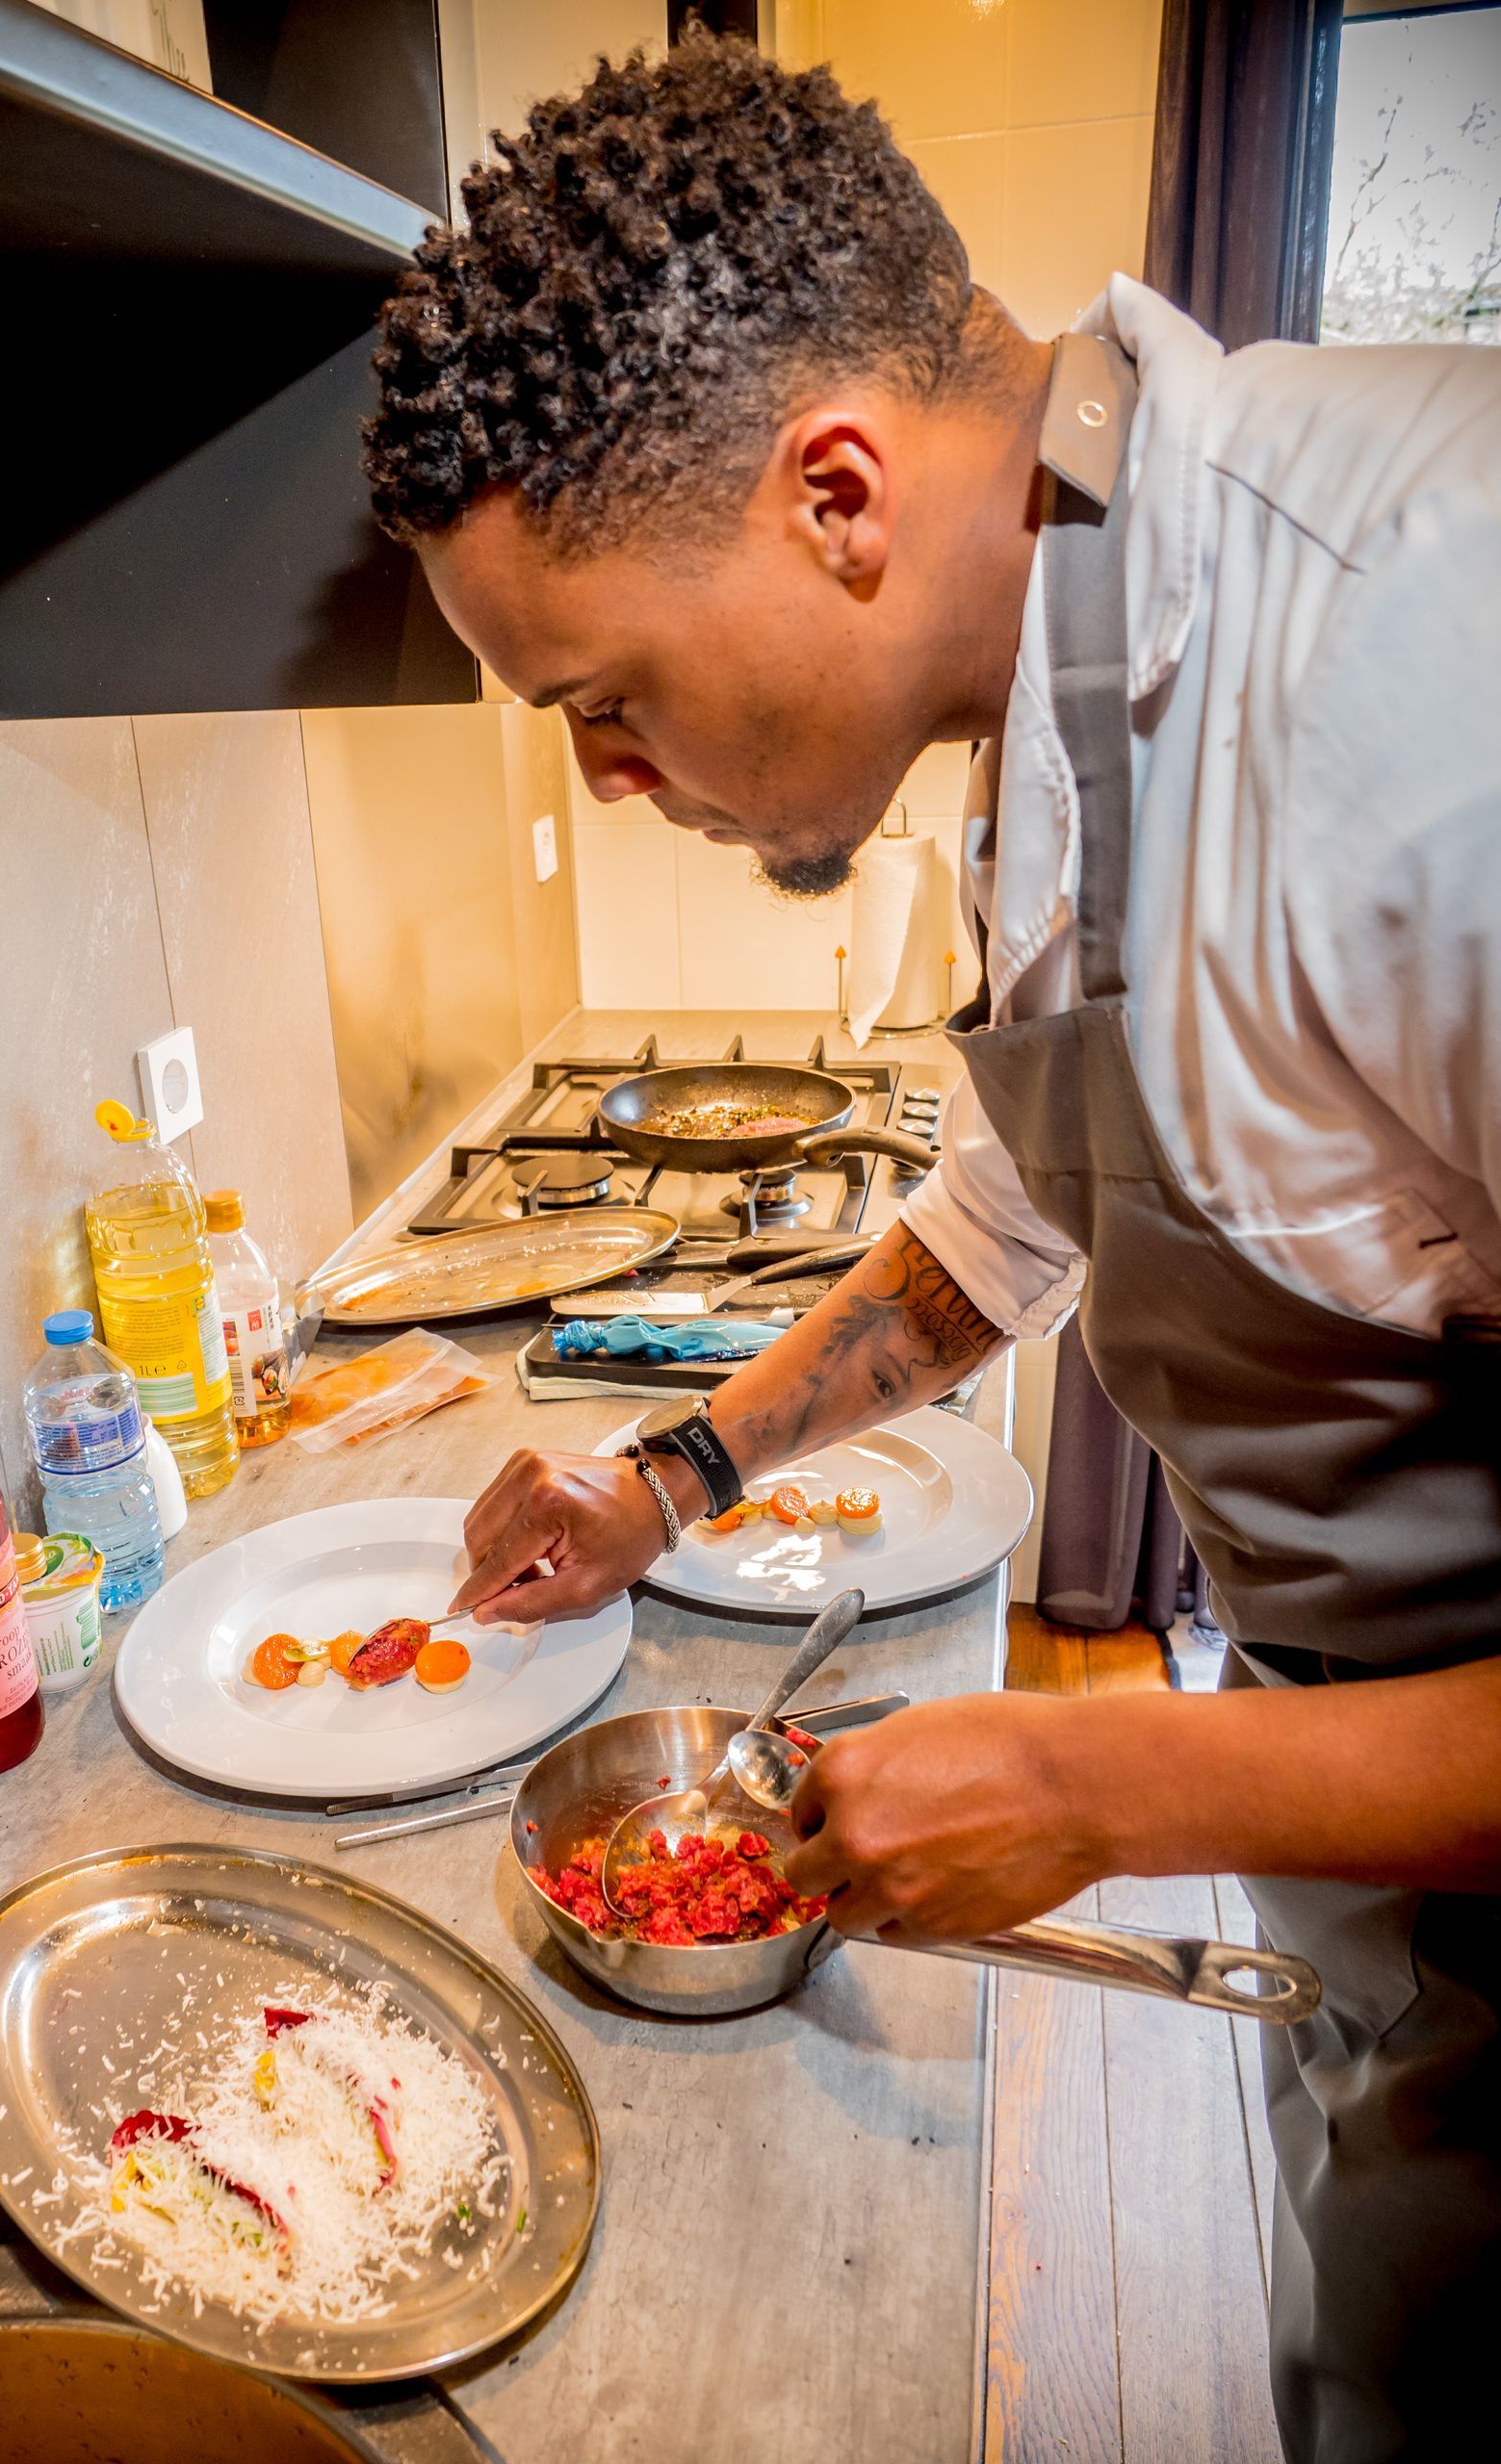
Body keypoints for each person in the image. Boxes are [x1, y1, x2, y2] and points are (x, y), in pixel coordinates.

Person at [362, 33, 1501, 2463]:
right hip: (1388, 1865)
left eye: (605, 696)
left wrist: (1112, 1792)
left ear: (836, 495)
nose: (606, 776)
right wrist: (669, 1475)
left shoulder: (1426, 678)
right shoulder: (1062, 669)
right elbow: (1005, 1235)